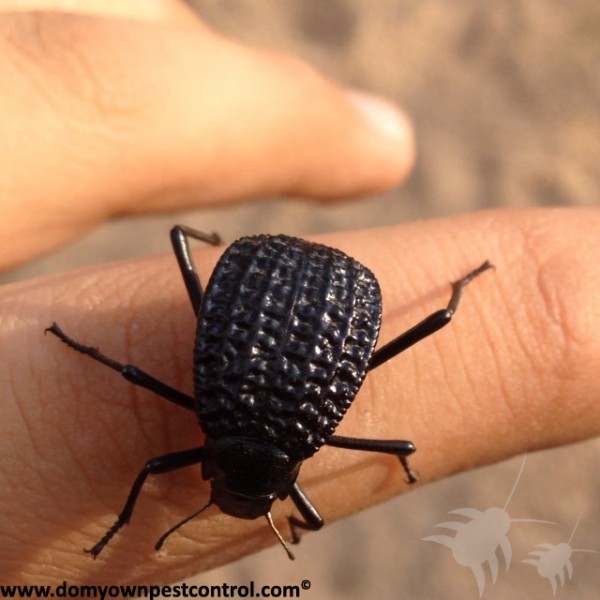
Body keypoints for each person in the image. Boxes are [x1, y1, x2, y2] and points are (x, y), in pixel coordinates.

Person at [0, 1, 597, 586]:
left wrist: (400, 456)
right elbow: (132, 376)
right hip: (277, 290)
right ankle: (214, 242)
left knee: (437, 317)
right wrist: (89, 351)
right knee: (183, 245)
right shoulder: (222, 419)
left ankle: (459, 286)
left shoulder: (304, 434)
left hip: (306, 288)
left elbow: (398, 442)